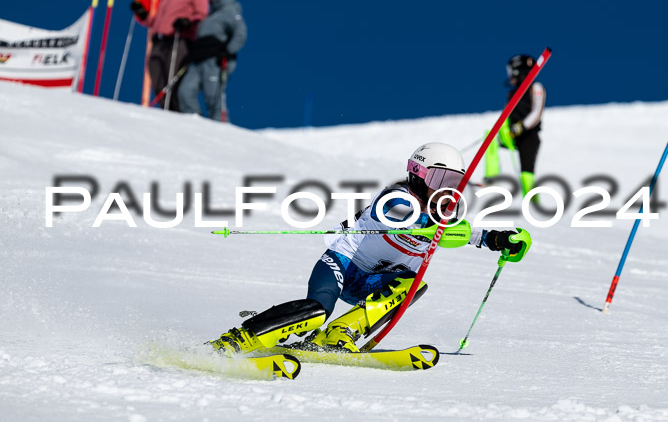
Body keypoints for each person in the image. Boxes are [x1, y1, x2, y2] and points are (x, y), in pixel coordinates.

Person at [208, 142, 529, 355]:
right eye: (439, 177)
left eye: (454, 181)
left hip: (374, 284)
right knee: (317, 310)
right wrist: (441, 228)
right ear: (418, 173)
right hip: (342, 266)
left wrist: (499, 239)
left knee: (414, 285)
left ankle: (337, 336)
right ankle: (240, 339)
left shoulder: (447, 213)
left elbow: (467, 233)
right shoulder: (398, 196)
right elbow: (400, 218)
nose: (446, 187)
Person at [130, 0, 208, 112]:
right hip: (159, 41)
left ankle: (180, 116)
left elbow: (202, 14)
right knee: (157, 79)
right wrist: (143, 15)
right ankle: (169, 113)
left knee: (172, 80)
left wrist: (188, 22)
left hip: (179, 40)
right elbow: (157, 21)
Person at [178, 0, 247, 122]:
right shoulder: (209, 16)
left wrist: (227, 51)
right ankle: (196, 123)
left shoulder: (230, 11)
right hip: (199, 60)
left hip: (216, 62)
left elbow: (240, 33)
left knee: (213, 97)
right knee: (185, 92)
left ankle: (221, 130)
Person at [484, 54, 546, 197]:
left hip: (528, 135)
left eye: (511, 71)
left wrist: (521, 127)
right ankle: (491, 177)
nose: (510, 76)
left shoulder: (535, 87)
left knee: (526, 172)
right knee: (490, 138)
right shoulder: (513, 93)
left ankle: (532, 202)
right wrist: (503, 130)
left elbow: (536, 112)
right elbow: (507, 115)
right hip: (512, 134)